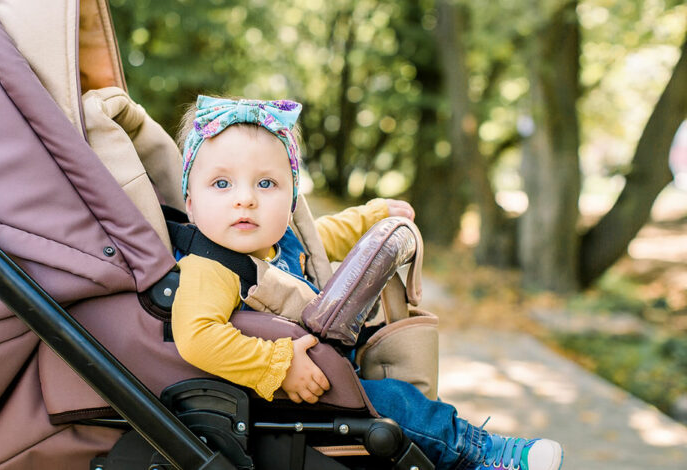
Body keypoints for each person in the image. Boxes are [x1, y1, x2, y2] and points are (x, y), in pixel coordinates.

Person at [170, 95, 564, 470]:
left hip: (332, 366)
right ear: (190, 201)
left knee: (404, 390)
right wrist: (278, 366)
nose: (245, 199)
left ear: (291, 200)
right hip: (282, 391)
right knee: (397, 402)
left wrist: (373, 215)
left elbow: (325, 237)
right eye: (222, 184)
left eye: (266, 184)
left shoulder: (277, 242)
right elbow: (197, 336)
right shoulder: (210, 268)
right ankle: (479, 453)